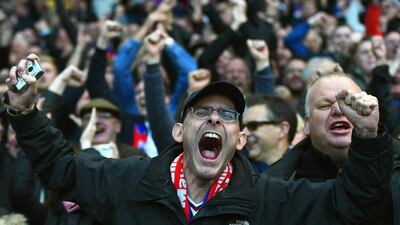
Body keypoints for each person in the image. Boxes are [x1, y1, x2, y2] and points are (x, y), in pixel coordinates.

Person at [3, 54, 393, 225]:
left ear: (240, 140)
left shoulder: (268, 199)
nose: (214, 119)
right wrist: (24, 111)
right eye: (202, 112)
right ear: (178, 131)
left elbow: (351, 204)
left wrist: (369, 138)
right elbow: (60, 169)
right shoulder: (129, 181)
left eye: (227, 116)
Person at [243, 94, 297, 174]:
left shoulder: (307, 172)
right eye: (243, 127)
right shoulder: (238, 173)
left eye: (253, 125)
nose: (244, 133)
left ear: (282, 130)